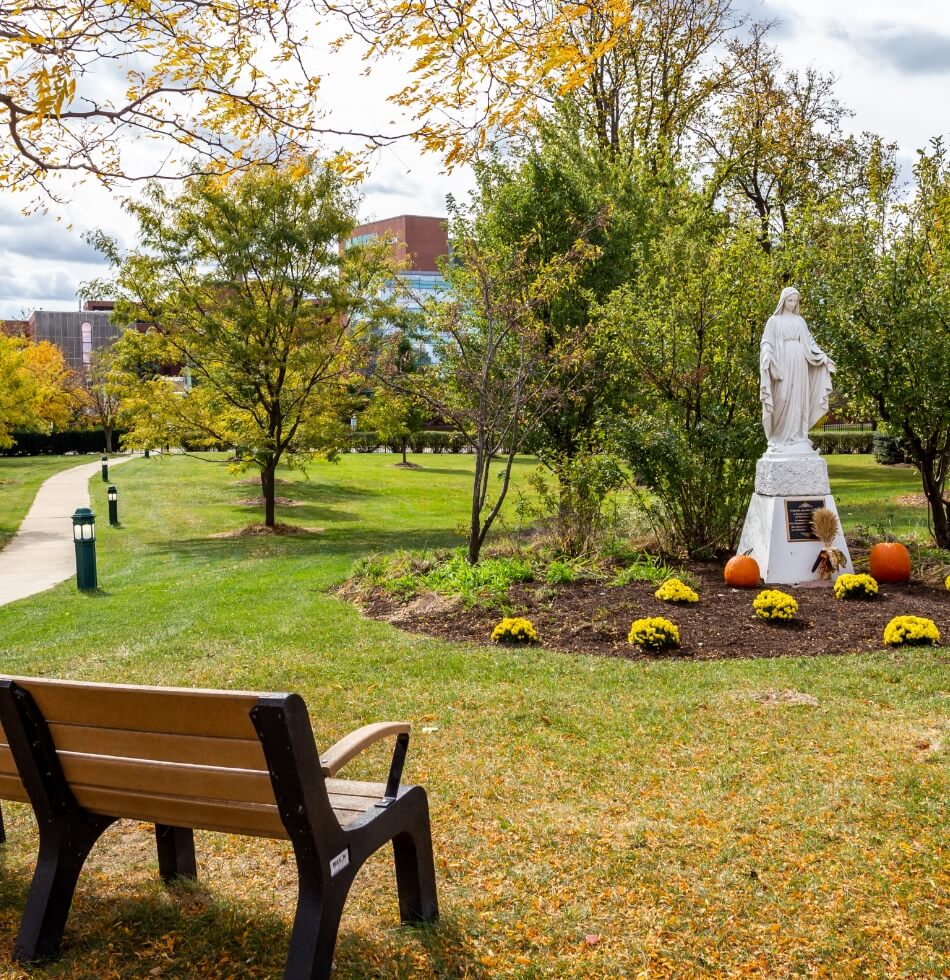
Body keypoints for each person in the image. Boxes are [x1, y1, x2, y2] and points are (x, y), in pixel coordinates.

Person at [759, 287, 835, 451]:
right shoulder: (774, 321)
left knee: (798, 399)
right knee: (783, 396)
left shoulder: (800, 321)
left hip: (800, 361)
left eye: (795, 301)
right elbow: (766, 341)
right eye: (790, 300)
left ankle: (798, 436)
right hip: (782, 362)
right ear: (783, 301)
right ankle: (778, 436)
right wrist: (766, 354)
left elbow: (810, 342)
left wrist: (823, 357)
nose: (792, 304)